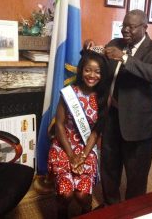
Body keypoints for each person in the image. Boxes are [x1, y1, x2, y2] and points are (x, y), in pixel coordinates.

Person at [85, 9, 152, 206]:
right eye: (124, 26)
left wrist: (124, 58)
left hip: (140, 124)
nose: (125, 30)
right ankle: (111, 206)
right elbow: (98, 62)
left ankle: (133, 210)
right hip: (112, 117)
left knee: (136, 174)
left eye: (131, 27)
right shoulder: (115, 43)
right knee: (109, 167)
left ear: (144, 27)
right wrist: (88, 48)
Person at [48, 49, 109, 218]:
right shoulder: (69, 93)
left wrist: (82, 155)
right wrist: (71, 155)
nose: (92, 75)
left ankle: (86, 210)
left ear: (102, 75)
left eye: (97, 72)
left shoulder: (102, 98)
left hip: (86, 148)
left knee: (82, 195)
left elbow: (96, 132)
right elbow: (59, 125)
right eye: (88, 70)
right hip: (63, 146)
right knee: (66, 194)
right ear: (81, 70)